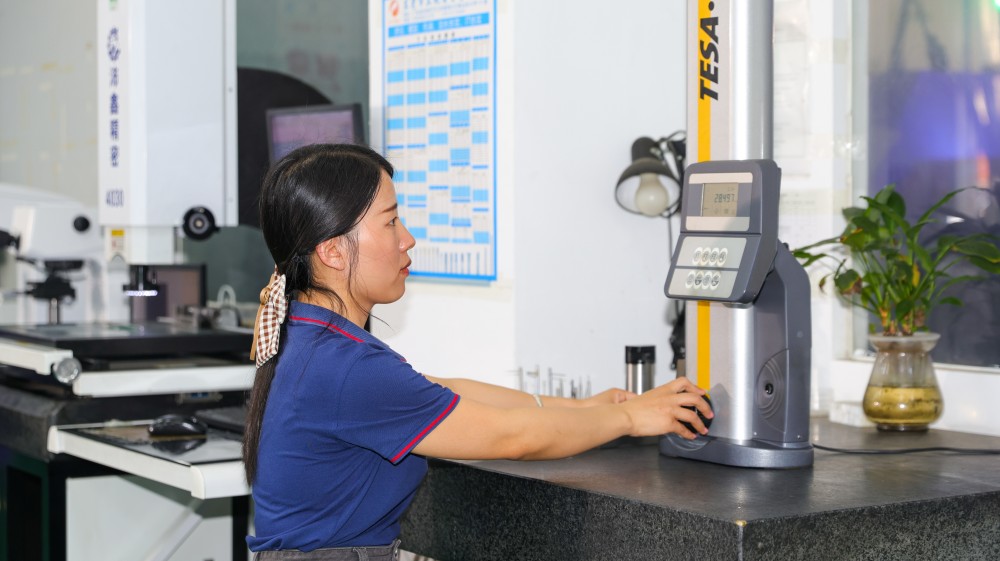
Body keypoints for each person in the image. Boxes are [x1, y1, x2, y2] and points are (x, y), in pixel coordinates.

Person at [244, 143, 713, 560]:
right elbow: (513, 438)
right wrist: (631, 419)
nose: (407, 238)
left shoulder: (312, 337)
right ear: (333, 252)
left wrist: (585, 408)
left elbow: (443, 392)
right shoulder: (343, 365)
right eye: (390, 221)